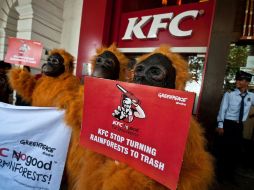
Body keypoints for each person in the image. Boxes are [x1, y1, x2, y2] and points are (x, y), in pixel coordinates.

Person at [216, 70, 254, 183]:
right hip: (228, 125)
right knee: (224, 151)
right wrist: (220, 125)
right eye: (237, 79)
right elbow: (222, 110)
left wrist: (251, 115)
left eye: (240, 80)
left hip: (239, 127)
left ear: (246, 83)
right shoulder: (229, 94)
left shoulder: (251, 96)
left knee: (235, 152)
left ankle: (230, 176)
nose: (237, 81)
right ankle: (220, 176)